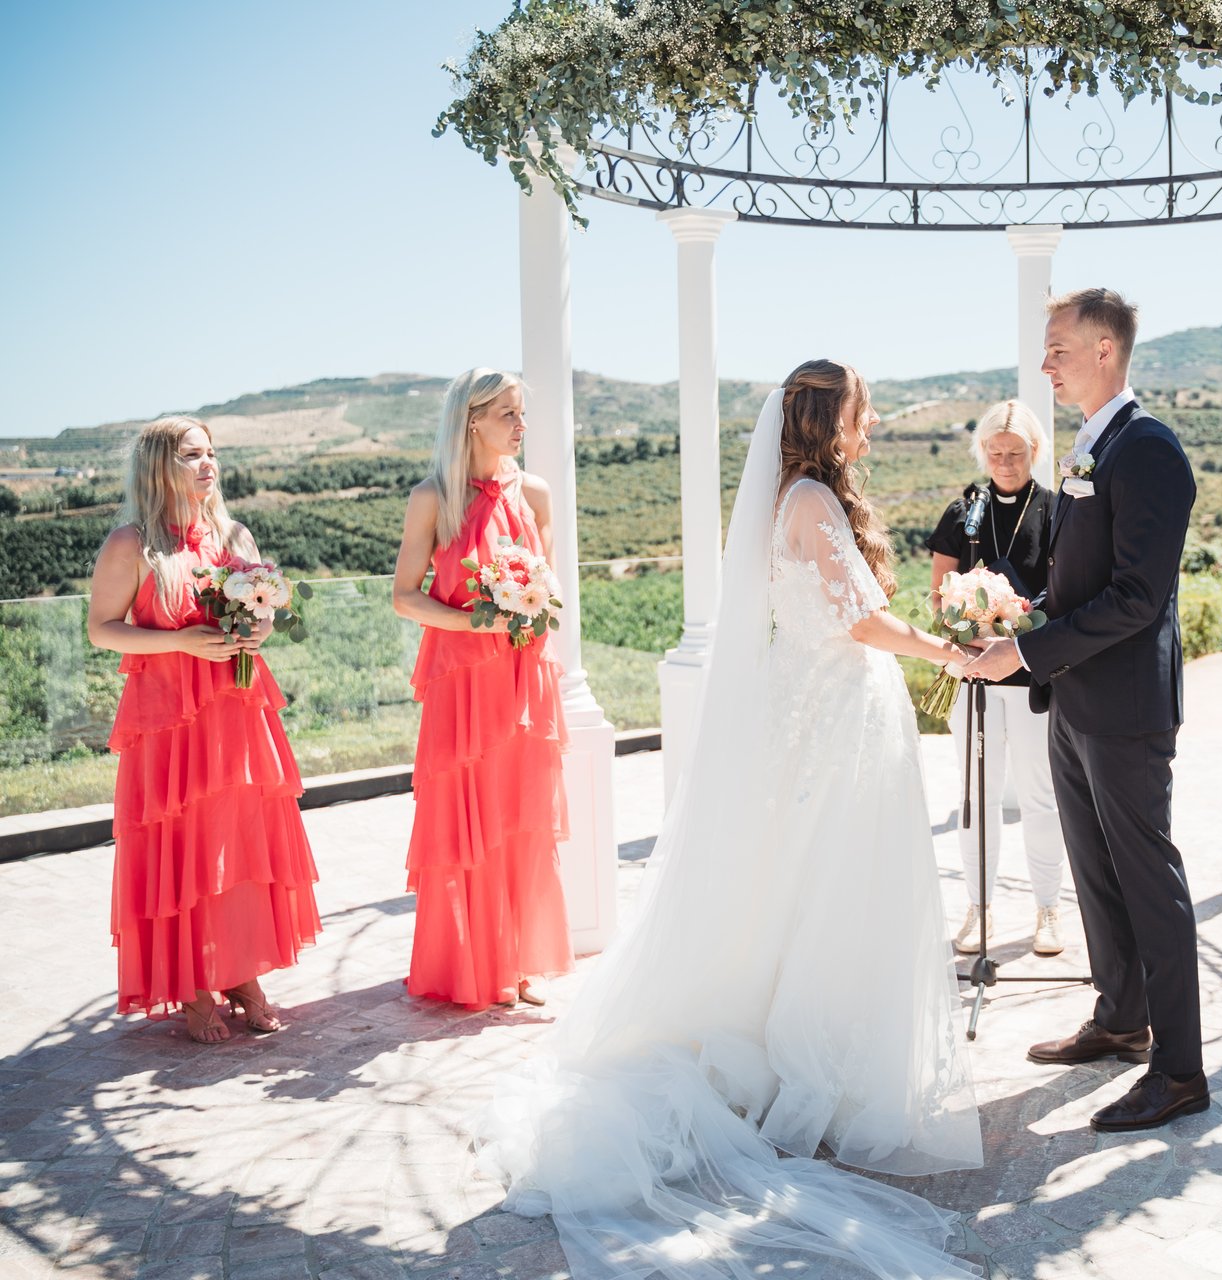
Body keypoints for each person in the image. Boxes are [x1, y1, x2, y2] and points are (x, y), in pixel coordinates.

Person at [473, 361, 983, 1279]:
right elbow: (861, 624)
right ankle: (823, 1072)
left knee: (821, 885)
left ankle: (824, 1060)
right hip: (838, 713)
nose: (871, 427)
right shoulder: (811, 506)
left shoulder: (801, 498)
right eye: (862, 414)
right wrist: (954, 649)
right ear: (832, 419)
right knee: (839, 888)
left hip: (826, 709)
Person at [962, 288, 1207, 1132]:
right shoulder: (1087, 447)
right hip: (1075, 697)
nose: (1045, 364)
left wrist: (1025, 651)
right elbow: (1079, 577)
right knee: (1095, 874)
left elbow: (1139, 598)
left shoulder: (1149, 452)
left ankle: (1180, 1070)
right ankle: (1120, 1017)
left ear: (1105, 350)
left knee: (1148, 879)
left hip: (1127, 704)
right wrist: (1014, 615)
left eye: (1058, 348)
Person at [87, 417, 320, 1042]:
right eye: (193, 455)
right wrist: (181, 643)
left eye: (212, 453)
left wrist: (260, 629)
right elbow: (102, 628)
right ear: (161, 465)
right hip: (166, 721)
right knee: (183, 845)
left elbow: (265, 613)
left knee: (237, 840)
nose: (208, 464)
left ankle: (241, 973)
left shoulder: (233, 534)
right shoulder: (131, 544)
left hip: (235, 710)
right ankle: (191, 983)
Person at [392, 370, 571, 1010]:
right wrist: (477, 619)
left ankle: (522, 960)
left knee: (521, 816)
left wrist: (526, 611)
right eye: (509, 414)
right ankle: (471, 962)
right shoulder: (432, 499)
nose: (522, 426)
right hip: (462, 683)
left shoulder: (537, 494)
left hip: (524, 677)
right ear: (472, 420)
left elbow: (549, 593)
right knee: (469, 820)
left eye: (522, 413)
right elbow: (404, 597)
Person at [925, 398, 1067, 957]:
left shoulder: (1056, 511)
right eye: (995, 452)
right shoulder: (964, 513)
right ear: (982, 451)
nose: (1005, 462)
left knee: (1041, 795)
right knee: (976, 797)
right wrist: (969, 623)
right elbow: (940, 596)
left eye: (1016, 452)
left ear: (1035, 451)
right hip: (975, 680)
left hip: (1034, 679)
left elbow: (1067, 591)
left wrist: (1019, 626)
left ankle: (1048, 908)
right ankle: (978, 908)